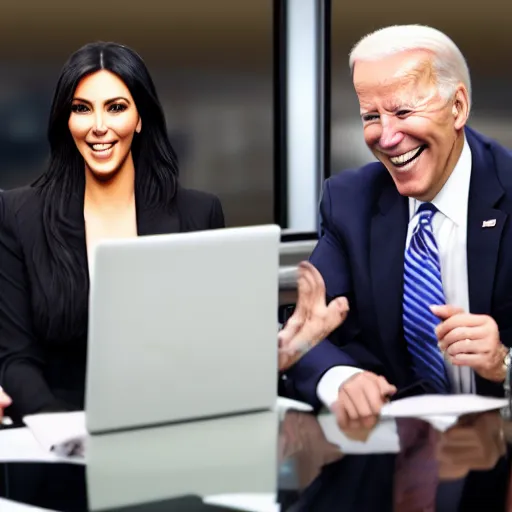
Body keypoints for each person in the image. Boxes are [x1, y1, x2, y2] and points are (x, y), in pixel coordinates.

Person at [279, 24, 512, 428]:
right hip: (395, 460)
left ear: (457, 107)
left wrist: (505, 362)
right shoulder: (351, 202)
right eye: (371, 116)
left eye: (403, 111)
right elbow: (303, 331)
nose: (386, 138)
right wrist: (341, 379)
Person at [0, 42, 225, 421]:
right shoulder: (18, 214)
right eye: (82, 109)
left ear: (140, 118)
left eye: (116, 107)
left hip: (167, 429)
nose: (99, 126)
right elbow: (15, 359)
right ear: (65, 120)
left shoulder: (198, 214)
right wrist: (66, 436)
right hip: (53, 436)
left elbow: (211, 349)